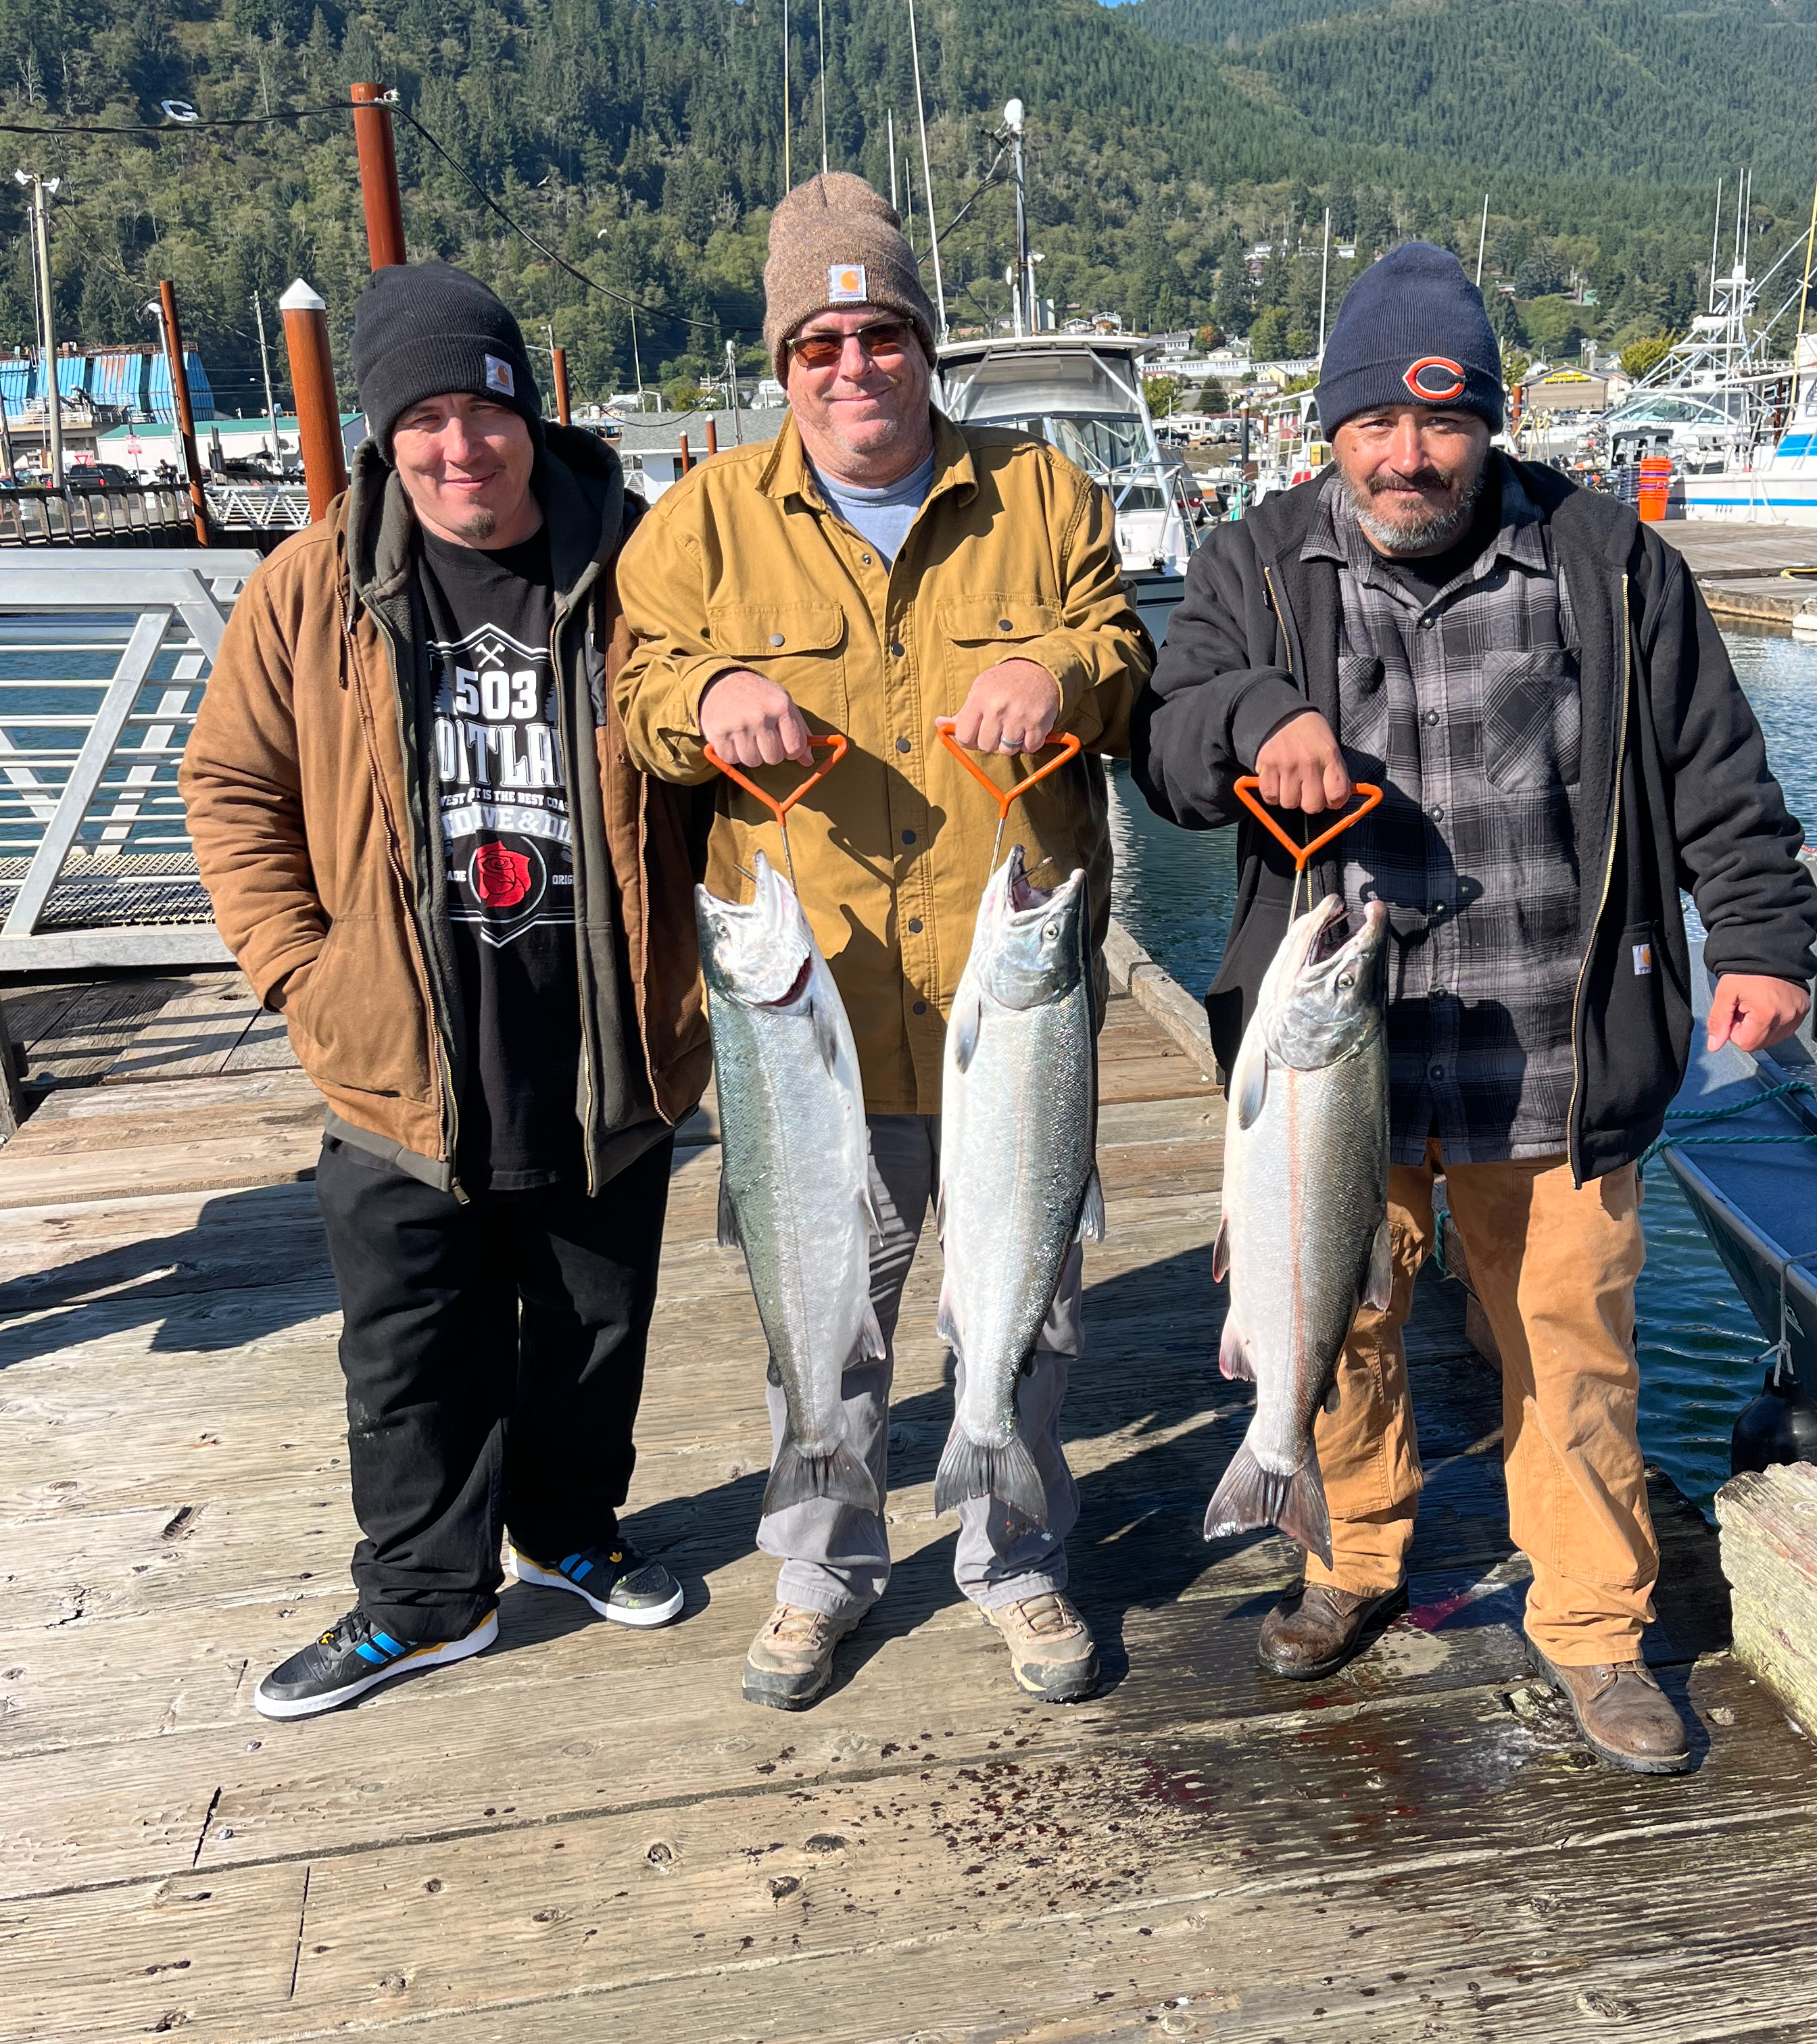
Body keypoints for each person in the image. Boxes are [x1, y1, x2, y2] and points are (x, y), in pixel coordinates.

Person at [1132, 243, 1817, 1775]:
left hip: (1558, 1061)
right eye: (1376, 424)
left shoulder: (1608, 560)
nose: (1408, 456)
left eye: (1442, 425)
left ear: (1490, 425)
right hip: (1333, 1065)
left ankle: (1591, 1629)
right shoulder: (1254, 564)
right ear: (1332, 431)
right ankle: (1351, 1559)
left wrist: (1764, 936)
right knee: (1345, 1327)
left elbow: (1718, 768)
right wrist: (1254, 714)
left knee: (1571, 1354)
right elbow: (1168, 756)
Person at [616, 173, 1150, 1711]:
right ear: (783, 369)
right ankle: (825, 1574)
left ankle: (1015, 1561)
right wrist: (709, 698)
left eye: (882, 336)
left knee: (1025, 1300)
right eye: (821, 345)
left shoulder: (1042, 495)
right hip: (814, 1021)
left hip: (1014, 1004)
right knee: (823, 1315)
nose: (855, 368)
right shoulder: (705, 519)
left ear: (927, 346)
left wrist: (1054, 670)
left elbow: (1122, 657)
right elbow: (641, 701)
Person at [183, 263, 711, 1720]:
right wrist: (301, 970)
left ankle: (565, 1532)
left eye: (480, 411)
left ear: (524, 412)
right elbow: (231, 786)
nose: (456, 448)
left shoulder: (641, 560)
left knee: (596, 1326)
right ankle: (420, 1600)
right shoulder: (314, 584)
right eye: (421, 420)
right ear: (382, 435)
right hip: (402, 1054)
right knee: (412, 1345)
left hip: (603, 1038)